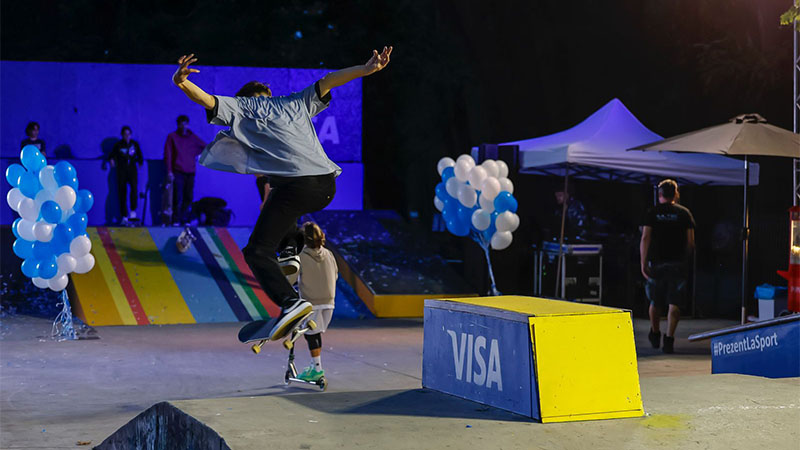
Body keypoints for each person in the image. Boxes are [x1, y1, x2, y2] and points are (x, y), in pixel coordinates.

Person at [172, 46, 392, 337]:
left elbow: (207, 99)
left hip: (297, 186)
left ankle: (290, 302)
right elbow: (329, 80)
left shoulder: (244, 107)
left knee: (256, 250)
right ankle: (290, 250)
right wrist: (366, 70)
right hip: (326, 186)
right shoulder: (294, 102)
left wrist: (181, 81)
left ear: (246, 99)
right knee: (278, 189)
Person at [640, 179, 695, 354]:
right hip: (678, 263)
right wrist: (686, 260)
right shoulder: (685, 213)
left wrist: (643, 262)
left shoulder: (652, 213)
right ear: (676, 194)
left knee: (655, 301)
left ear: (660, 194)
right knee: (675, 302)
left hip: (656, 263)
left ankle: (655, 333)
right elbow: (691, 242)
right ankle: (669, 338)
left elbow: (645, 238)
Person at [296, 221, 338, 382]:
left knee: (311, 335)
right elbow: (335, 275)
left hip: (310, 303)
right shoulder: (329, 254)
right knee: (315, 333)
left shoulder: (300, 256)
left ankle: (318, 370)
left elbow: (291, 278)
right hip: (329, 302)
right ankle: (315, 366)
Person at [164, 115, 207, 225]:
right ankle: (176, 219)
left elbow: (205, 146)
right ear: (178, 125)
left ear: (188, 124)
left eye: (185, 124)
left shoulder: (192, 137)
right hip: (178, 171)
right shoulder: (172, 137)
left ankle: (185, 219)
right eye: (181, 124)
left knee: (189, 197)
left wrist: (198, 155)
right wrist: (169, 171)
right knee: (178, 197)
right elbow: (168, 154)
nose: (183, 126)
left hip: (191, 172)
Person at [108, 126, 144, 224]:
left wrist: (140, 162)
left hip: (132, 170)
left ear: (131, 135)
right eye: (125, 134)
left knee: (134, 190)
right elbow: (111, 155)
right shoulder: (118, 145)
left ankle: (133, 212)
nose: (127, 136)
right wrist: (111, 160)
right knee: (122, 192)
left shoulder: (134, 144)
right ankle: (124, 215)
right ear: (122, 135)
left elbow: (140, 155)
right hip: (121, 171)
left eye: (128, 134)